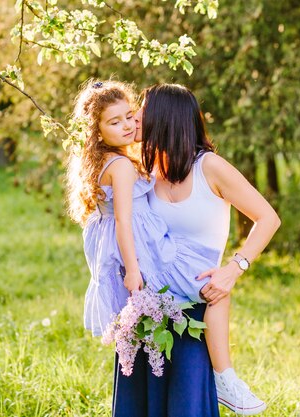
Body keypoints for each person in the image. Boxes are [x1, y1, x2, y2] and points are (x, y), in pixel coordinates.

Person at [65, 79, 223, 417]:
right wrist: (134, 270)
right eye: (114, 121)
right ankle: (226, 378)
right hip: (141, 256)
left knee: (149, 328)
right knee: (211, 293)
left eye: (130, 116)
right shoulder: (121, 166)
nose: (127, 125)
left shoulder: (109, 160)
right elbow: (124, 221)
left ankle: (220, 376)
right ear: (97, 131)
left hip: (127, 253)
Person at [133, 83, 281, 415]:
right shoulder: (146, 172)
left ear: (165, 116)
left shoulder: (209, 167)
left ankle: (226, 378)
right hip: (151, 306)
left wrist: (234, 268)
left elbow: (268, 218)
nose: (137, 115)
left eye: (143, 107)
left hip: (199, 307)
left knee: (187, 405)